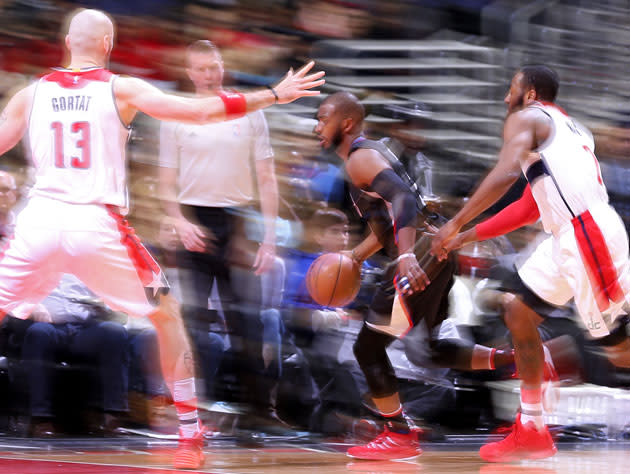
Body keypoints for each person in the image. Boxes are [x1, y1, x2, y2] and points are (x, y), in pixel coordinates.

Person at [0, 8, 323, 470]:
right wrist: (273, 94)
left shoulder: (30, 93)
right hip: (97, 225)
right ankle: (189, 431)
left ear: (67, 42)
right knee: (167, 315)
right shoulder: (121, 88)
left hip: (39, 222)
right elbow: (199, 110)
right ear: (108, 44)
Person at [431, 65, 630, 462]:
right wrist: (467, 236)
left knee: (620, 351)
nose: (507, 99)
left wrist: (455, 221)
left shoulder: (528, 117)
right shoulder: (568, 129)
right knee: (517, 310)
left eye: (512, 90)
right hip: (566, 236)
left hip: (588, 234)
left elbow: (505, 174)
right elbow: (527, 207)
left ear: (532, 93)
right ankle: (533, 427)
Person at [312, 92, 515, 460]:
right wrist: (355, 256)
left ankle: (398, 434)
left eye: (323, 118)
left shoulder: (360, 158)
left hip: (421, 254)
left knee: (367, 348)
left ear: (345, 123)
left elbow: (403, 198)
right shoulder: (367, 156)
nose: (316, 126)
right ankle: (514, 360)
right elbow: (385, 226)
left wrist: (405, 255)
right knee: (429, 351)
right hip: (435, 251)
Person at [158, 39, 284, 425]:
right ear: (190, 73)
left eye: (215, 67)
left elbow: (266, 177)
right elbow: (165, 182)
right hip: (194, 223)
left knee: (247, 321)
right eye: (202, 69)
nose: (210, 75)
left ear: (222, 67)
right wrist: (179, 220)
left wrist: (269, 238)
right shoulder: (175, 115)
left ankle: (260, 413)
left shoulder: (248, 112)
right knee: (194, 322)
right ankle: (196, 414)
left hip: (237, 222)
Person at [19, 274, 128, 437]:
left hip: (85, 328)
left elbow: (117, 309)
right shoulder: (36, 261)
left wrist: (104, 308)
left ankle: (113, 417)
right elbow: (15, 293)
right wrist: (32, 307)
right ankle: (41, 419)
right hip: (49, 327)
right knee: (38, 333)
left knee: (115, 332)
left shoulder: (87, 266)